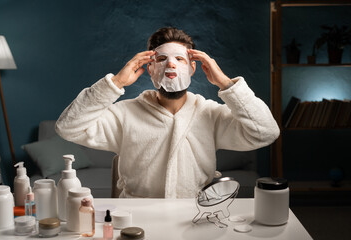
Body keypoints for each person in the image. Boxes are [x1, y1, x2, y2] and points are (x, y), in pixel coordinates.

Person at [55, 27, 280, 198]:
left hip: (194, 215)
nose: (171, 65)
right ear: (150, 68)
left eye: (179, 59)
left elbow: (266, 133)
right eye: (162, 59)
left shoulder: (211, 115)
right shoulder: (124, 114)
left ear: (193, 68)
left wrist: (226, 83)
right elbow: (67, 127)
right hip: (138, 218)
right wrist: (115, 82)